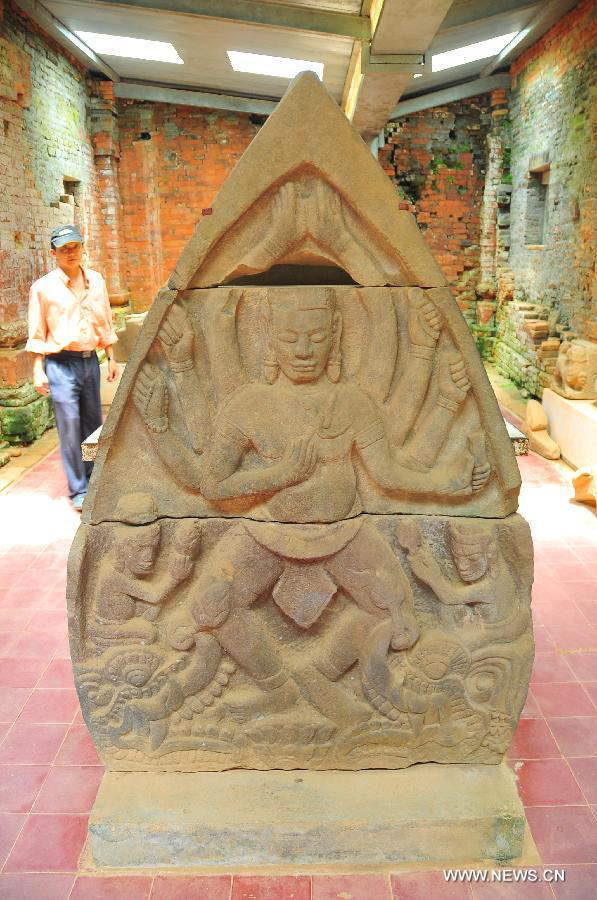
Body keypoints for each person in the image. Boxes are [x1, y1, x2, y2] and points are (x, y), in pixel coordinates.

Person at [26, 225, 119, 510]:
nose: (70, 253)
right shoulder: (43, 288)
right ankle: (78, 489)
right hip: (60, 364)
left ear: (82, 248)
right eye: (64, 248)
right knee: (69, 427)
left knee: (93, 425)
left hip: (89, 361)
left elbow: (104, 319)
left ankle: (95, 480)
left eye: (75, 247)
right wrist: (37, 368)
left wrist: (110, 356)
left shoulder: (96, 281)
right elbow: (37, 330)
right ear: (53, 253)